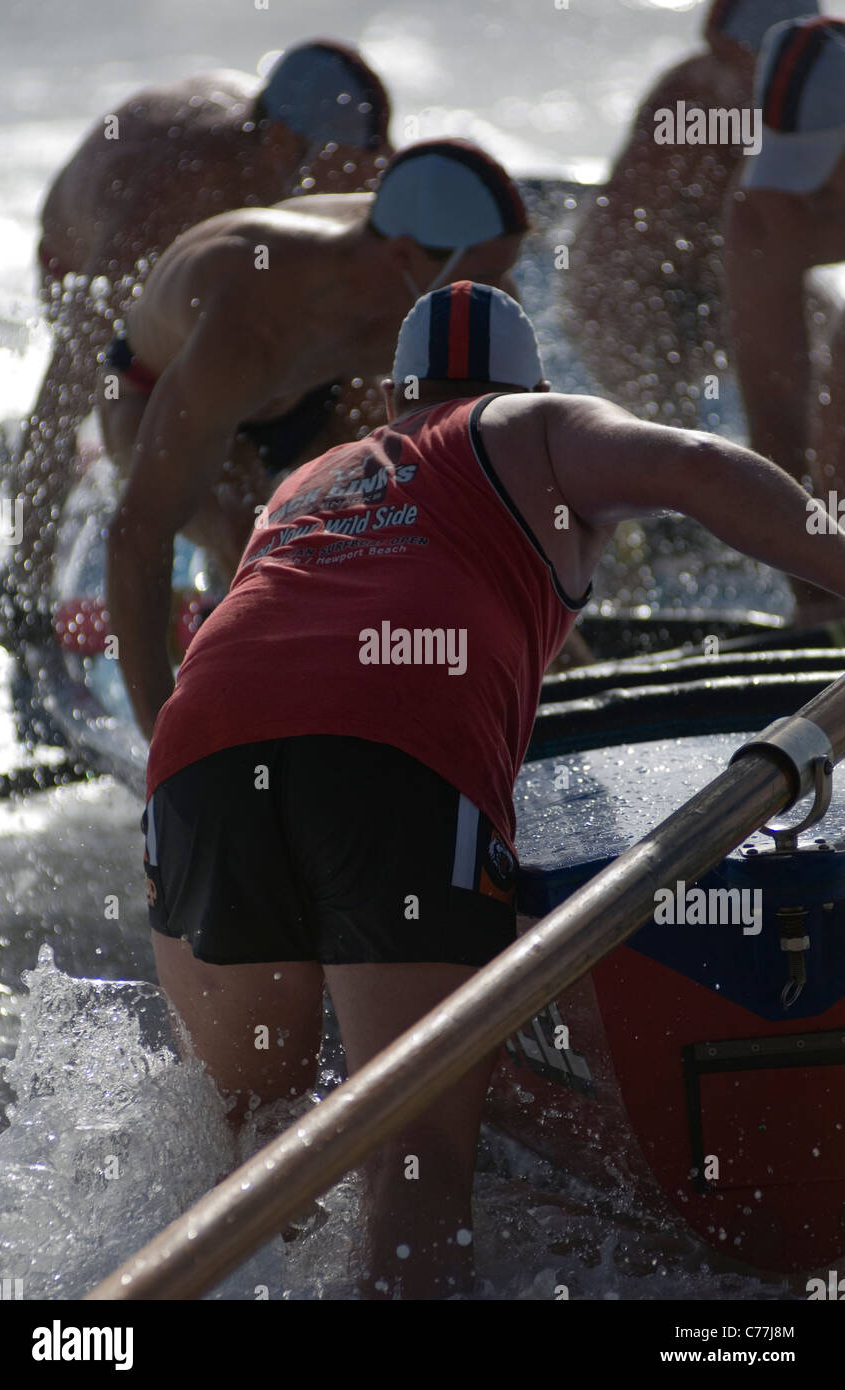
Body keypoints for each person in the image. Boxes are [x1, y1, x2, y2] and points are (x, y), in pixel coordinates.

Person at [140, 281, 845, 1300]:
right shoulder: (535, 426)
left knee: (255, 1146)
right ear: (531, 383)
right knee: (413, 1152)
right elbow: (695, 466)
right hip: (385, 753)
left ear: (398, 398)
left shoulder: (313, 481)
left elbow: (278, 629)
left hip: (199, 759)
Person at [101, 140, 529, 740]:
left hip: (319, 391)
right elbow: (135, 535)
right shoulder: (252, 317)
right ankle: (217, 661)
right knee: (249, 536)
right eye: (486, 276)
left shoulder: (422, 266)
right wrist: (161, 748)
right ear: (405, 256)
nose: (502, 292)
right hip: (151, 391)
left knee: (425, 507)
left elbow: (509, 475)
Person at [0, 40, 392, 624]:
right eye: (351, 176)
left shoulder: (343, 160)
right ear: (283, 146)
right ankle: (33, 572)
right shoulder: (170, 200)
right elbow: (68, 388)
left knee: (365, 415)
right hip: (79, 262)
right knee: (206, 473)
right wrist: (21, 590)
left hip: (226, 262)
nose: (363, 196)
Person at [561, 0, 817, 424]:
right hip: (624, 287)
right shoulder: (695, 100)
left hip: (709, 288)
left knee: (826, 339)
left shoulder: (776, 106)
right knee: (665, 434)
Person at [724, 14, 845, 623]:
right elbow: (773, 415)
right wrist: (820, 601)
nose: (807, 199)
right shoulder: (764, 208)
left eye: (825, 178)